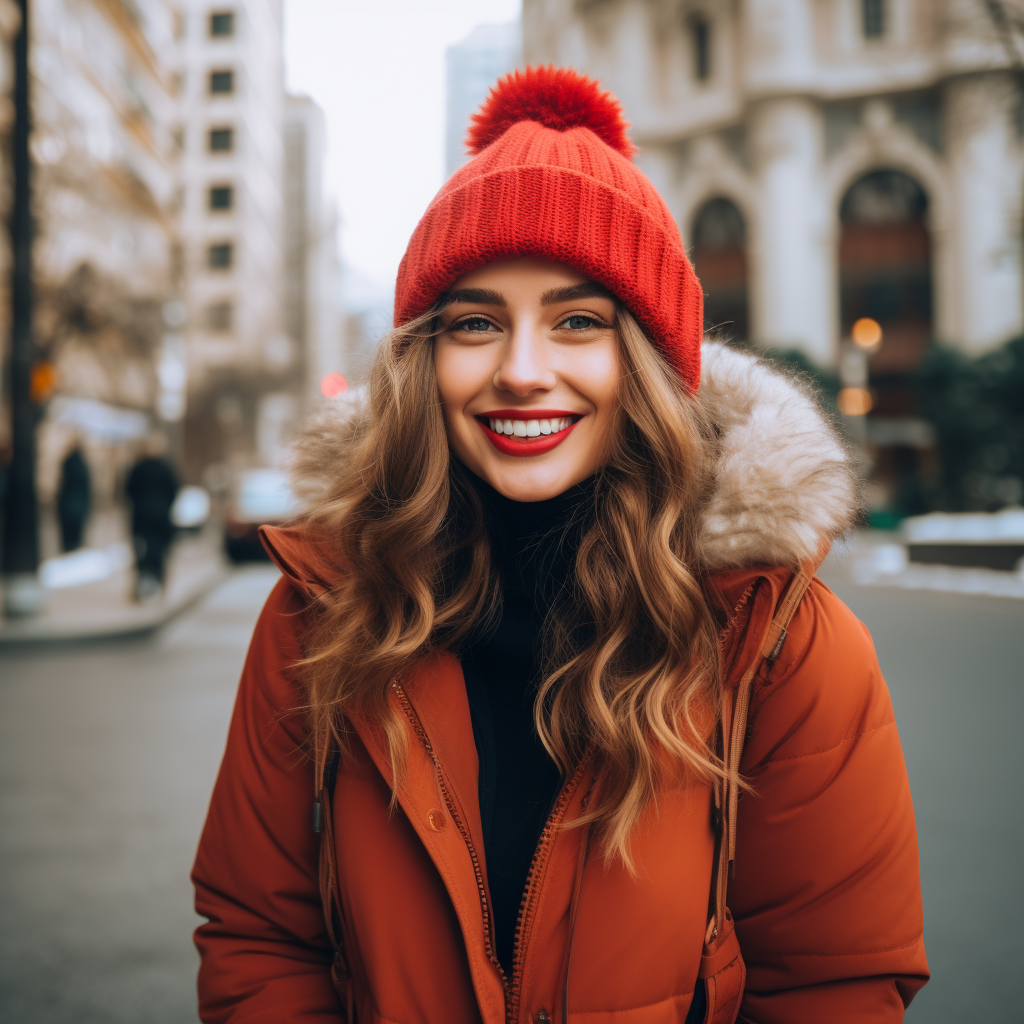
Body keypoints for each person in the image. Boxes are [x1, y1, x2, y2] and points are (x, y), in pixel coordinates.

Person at [192, 68, 928, 1023]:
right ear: (424, 360)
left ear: (651, 363)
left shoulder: (778, 636)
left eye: (580, 321)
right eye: (474, 324)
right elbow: (261, 941)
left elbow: (835, 985)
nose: (523, 372)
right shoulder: (318, 615)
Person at [126, 433, 178, 600]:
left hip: (141, 517)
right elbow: (174, 490)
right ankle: (160, 584)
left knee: (142, 551)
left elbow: (129, 491)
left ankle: (142, 586)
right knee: (159, 552)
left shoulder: (137, 468)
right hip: (161, 517)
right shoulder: (165, 468)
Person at [57, 440, 90, 552]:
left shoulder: (67, 463)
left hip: (67, 506)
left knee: (67, 540)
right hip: (79, 507)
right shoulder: (84, 466)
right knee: (76, 540)